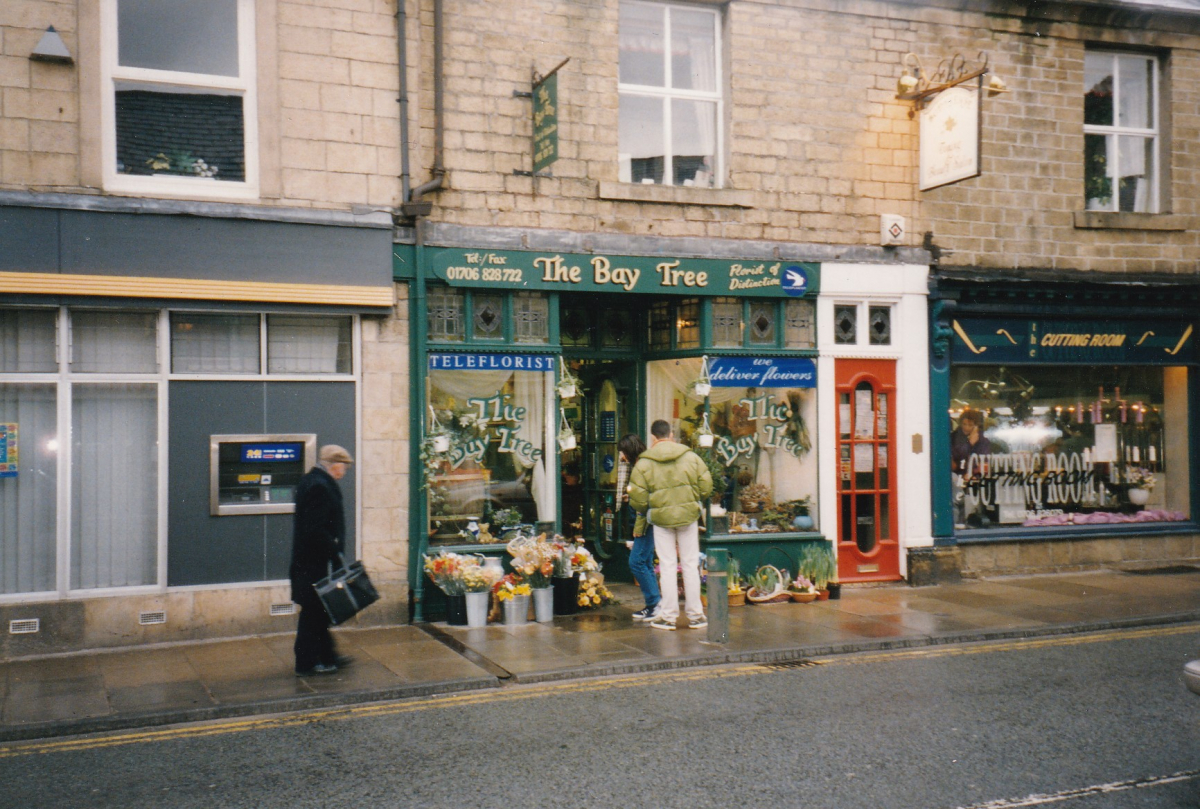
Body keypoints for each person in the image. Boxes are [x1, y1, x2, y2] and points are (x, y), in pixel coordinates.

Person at [628, 420, 713, 631]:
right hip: (688, 517)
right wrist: (693, 501)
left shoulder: (644, 463)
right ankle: (696, 616)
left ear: (653, 438)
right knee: (690, 565)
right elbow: (706, 486)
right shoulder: (690, 457)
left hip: (661, 519)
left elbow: (637, 499)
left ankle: (668, 616)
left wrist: (651, 506)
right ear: (672, 434)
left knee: (666, 566)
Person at [290, 444, 356, 676]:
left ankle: (328, 656)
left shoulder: (311, 480)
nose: (344, 472)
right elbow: (315, 529)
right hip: (313, 562)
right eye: (344, 468)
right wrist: (335, 551)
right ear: (335, 465)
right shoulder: (320, 486)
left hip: (308, 561)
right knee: (313, 612)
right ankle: (306, 663)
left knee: (318, 611)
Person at [617, 433, 660, 622]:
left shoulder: (640, 468)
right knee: (646, 562)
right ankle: (655, 604)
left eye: (622, 452)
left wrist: (638, 528)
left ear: (629, 450)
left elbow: (643, 501)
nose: (621, 457)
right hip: (651, 519)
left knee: (636, 562)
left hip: (645, 521)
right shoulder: (647, 464)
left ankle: (655, 604)